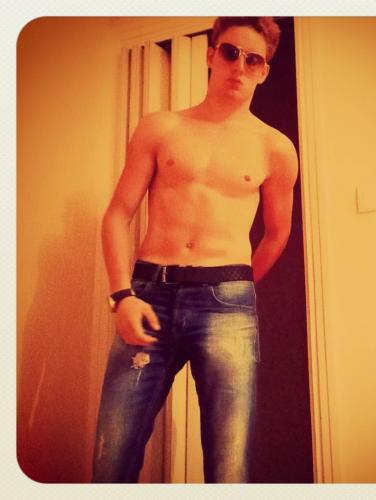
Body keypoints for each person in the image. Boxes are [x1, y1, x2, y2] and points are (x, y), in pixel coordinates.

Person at [92, 16, 298, 483]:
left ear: (264, 71)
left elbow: (276, 234)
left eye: (253, 59)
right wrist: (122, 296)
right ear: (210, 55)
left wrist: (235, 287)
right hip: (149, 294)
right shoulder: (160, 127)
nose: (239, 66)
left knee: (229, 470)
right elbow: (117, 214)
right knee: (110, 462)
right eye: (230, 52)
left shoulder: (276, 149)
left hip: (226, 305)